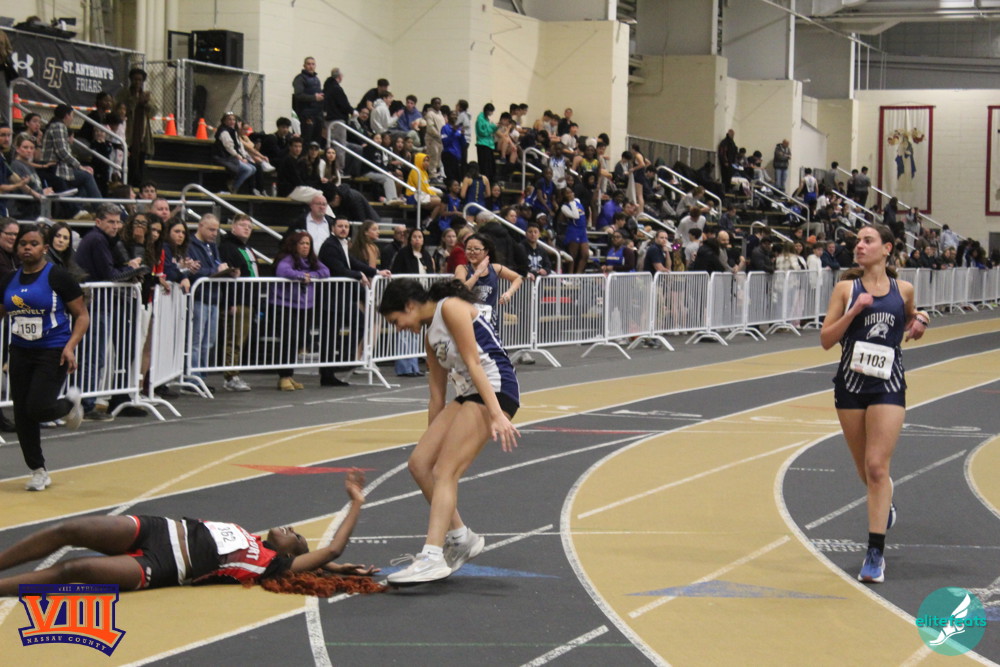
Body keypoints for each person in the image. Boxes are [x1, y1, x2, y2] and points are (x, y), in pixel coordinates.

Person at [0, 471, 379, 595]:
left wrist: (356, 502)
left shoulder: (272, 566)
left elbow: (331, 551)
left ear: (292, 555)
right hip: (159, 528)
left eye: (295, 535)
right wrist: (338, 569)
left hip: (166, 564)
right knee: (71, 528)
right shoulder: (250, 537)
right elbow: (328, 562)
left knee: (76, 570)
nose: (290, 528)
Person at [378, 279, 519, 584]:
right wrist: (433, 439)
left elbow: (474, 362)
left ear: (409, 306)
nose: (398, 328)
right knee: (420, 463)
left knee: (445, 471)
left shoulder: (451, 308)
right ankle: (461, 537)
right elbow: (436, 396)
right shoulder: (431, 336)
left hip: (496, 388)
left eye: (395, 321)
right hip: (468, 393)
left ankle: (432, 556)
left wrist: (497, 414)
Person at [819, 223, 928, 584]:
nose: (860, 246)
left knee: (878, 467)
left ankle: (875, 553)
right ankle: (885, 503)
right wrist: (853, 312)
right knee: (865, 471)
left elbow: (911, 315)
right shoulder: (845, 289)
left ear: (887, 248)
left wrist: (921, 320)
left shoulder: (903, 289)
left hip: (888, 384)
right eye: (858, 241)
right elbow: (826, 339)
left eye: (868, 241)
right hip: (851, 386)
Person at [0, 225, 88, 491]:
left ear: (45, 248)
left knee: (37, 408)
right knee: (22, 414)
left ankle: (69, 405)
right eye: (23, 243)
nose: (27, 248)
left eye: (34, 243)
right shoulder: (10, 279)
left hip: (52, 350)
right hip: (20, 351)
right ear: (17, 248)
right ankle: (38, 470)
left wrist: (70, 347)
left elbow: (82, 316)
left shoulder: (57, 277)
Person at [273, 232, 330, 391]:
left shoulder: (312, 260)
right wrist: (300, 276)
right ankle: (284, 376)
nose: (305, 246)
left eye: (308, 243)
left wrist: (310, 275)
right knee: (289, 340)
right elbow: (282, 271)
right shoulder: (288, 258)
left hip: (305, 306)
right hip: (285, 305)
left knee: (300, 340)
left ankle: (289, 375)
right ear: (295, 245)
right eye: (302, 243)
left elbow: (326, 272)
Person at [218, 214, 261, 392]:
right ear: (233, 227)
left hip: (248, 299)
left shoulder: (247, 248)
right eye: (243, 225)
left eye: (249, 227)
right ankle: (231, 375)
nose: (246, 229)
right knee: (234, 339)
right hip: (238, 300)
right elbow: (228, 276)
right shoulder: (228, 247)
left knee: (240, 339)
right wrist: (231, 302)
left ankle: (233, 373)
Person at [454, 234, 523, 334]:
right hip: (467, 319)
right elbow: (460, 290)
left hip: (489, 320)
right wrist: (477, 273)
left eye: (476, 249)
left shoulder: (495, 268)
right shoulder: (462, 269)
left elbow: (517, 278)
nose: (472, 252)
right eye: (468, 249)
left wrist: (509, 293)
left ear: (486, 251)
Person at [115, 68, 156, 186]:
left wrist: (146, 103)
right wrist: (135, 100)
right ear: (131, 80)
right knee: (128, 162)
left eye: (140, 80)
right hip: (128, 133)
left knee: (140, 163)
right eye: (135, 79)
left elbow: (153, 112)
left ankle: (138, 185)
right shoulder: (124, 94)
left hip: (141, 134)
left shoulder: (146, 95)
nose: (137, 82)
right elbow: (121, 110)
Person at [213, 112, 256, 194]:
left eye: (233, 119)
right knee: (248, 169)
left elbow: (239, 146)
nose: (232, 121)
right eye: (229, 119)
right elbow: (229, 147)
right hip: (223, 157)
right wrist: (238, 156)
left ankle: (234, 184)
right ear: (224, 121)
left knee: (253, 168)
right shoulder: (223, 131)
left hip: (231, 157)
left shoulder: (233, 131)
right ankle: (234, 187)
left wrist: (243, 157)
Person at [322, 67, 353, 176]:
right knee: (340, 146)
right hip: (337, 120)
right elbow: (344, 104)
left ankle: (330, 168)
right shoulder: (337, 89)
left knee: (331, 145)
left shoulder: (326, 88)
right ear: (340, 77)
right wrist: (352, 111)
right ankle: (339, 169)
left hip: (328, 120)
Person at [292, 57, 324, 146]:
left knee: (316, 142)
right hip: (306, 115)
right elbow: (298, 95)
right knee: (306, 140)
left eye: (313, 64)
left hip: (317, 115)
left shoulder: (317, 80)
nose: (311, 66)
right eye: (308, 64)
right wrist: (314, 98)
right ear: (304, 65)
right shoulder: (299, 78)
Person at [475, 103, 498, 185]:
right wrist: (492, 128)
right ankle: (484, 182)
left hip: (489, 144)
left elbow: (491, 130)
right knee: (484, 166)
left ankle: (490, 181)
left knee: (491, 165)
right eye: (491, 111)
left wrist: (496, 127)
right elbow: (482, 132)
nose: (491, 113)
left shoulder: (487, 119)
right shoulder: (480, 119)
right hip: (482, 144)